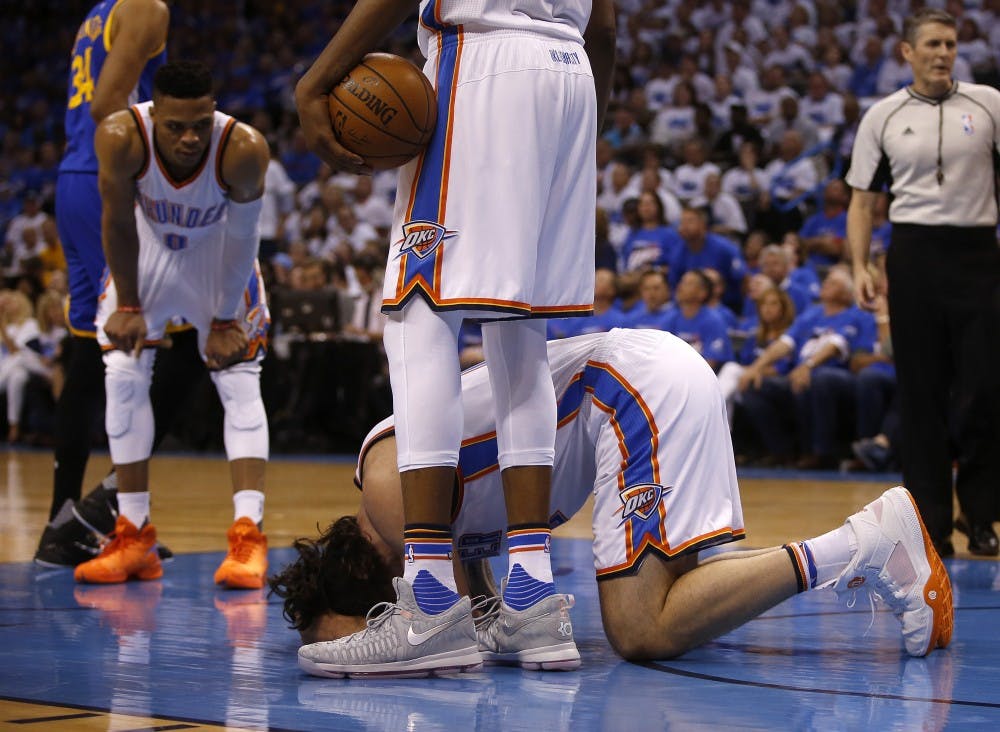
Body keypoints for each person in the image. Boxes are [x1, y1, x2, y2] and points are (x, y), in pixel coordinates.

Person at [268, 329, 953, 676]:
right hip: (647, 382)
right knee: (675, 596)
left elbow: (439, 637)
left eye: (362, 631)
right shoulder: (410, 515)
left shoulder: (391, 492)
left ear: (375, 593)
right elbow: (482, 615)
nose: (367, 646)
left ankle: (866, 542)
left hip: (629, 395)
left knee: (640, 629)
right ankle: (867, 546)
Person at [294, 0, 617, 676]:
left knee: (418, 319)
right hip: (571, 70)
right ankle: (531, 598)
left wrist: (315, 79)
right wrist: (590, 115)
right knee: (520, 332)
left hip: (483, 65)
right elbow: (607, 22)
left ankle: (433, 601)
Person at [72, 61, 272, 588]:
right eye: (176, 126)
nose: (189, 138)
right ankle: (133, 534)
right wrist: (130, 306)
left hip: (218, 257)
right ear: (152, 113)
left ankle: (248, 535)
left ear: (215, 113)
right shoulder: (121, 136)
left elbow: (243, 239)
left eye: (200, 125)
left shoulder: (243, 148)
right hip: (148, 251)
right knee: (122, 371)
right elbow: (115, 221)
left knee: (238, 377)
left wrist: (227, 317)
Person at [37, 0, 208, 567]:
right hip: (107, 183)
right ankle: (108, 511)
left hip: (73, 181)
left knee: (89, 353)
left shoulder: (98, 12)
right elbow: (108, 104)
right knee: (182, 346)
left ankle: (64, 523)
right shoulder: (148, 7)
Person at [846, 8, 1000, 557]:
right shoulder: (882, 116)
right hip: (913, 257)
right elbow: (863, 201)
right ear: (907, 52)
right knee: (921, 395)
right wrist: (861, 265)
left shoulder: (989, 105)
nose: (943, 53)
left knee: (984, 389)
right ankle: (930, 524)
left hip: (979, 256)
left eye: (951, 44)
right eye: (932, 44)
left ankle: (982, 516)